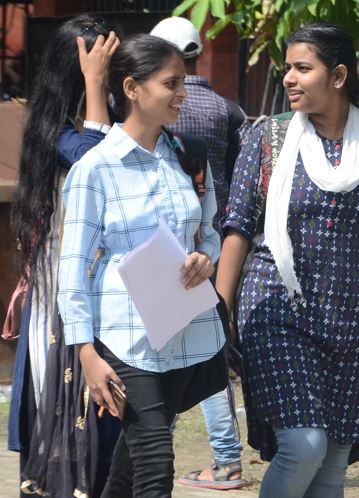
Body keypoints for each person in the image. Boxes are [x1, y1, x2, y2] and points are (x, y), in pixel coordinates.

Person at [216, 22, 359, 498]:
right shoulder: (268, 138)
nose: (289, 78)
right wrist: (220, 308)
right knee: (304, 445)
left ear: (338, 76)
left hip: (352, 319)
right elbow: (237, 227)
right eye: (287, 68)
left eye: (302, 68)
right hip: (278, 310)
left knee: (332, 464)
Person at [56, 34, 227, 497]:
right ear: (132, 88)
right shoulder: (95, 169)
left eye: (182, 82)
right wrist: (86, 353)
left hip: (182, 326)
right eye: (171, 83)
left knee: (130, 466)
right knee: (155, 457)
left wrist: (206, 259)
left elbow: (210, 232)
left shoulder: (190, 157)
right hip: (123, 335)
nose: (182, 94)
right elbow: (72, 268)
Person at [7, 15, 121, 498]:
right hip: (63, 291)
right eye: (100, 65)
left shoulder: (117, 121)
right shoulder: (54, 132)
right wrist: (96, 84)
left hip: (110, 288)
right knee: (63, 400)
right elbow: (95, 162)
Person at [150, 15, 250, 491]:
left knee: (156, 351)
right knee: (209, 351)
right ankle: (227, 459)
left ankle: (153, 451)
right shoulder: (228, 110)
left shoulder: (148, 104)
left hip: (157, 251)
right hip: (214, 248)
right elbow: (241, 177)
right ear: (197, 52)